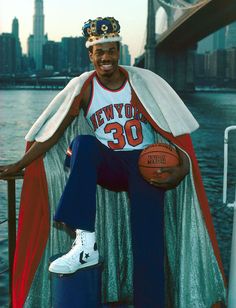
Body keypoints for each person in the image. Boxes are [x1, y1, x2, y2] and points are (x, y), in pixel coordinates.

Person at [0, 17, 226, 308]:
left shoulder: (143, 83)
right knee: (83, 143)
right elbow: (52, 133)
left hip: (144, 166)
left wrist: (182, 165)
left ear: (119, 51)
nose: (106, 57)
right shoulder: (84, 88)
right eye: (99, 52)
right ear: (90, 55)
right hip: (110, 164)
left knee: (149, 245)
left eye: (111, 50)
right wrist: (21, 162)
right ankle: (85, 242)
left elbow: (173, 134)